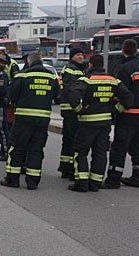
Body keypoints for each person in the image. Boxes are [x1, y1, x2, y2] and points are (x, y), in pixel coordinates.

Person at [68, 54, 133, 193]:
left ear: (90, 65)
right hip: (105, 123)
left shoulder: (86, 79)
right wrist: (115, 110)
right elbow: (128, 98)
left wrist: (79, 110)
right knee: (100, 153)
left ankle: (82, 183)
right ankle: (95, 183)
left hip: (87, 122)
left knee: (81, 152)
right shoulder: (113, 80)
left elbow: (73, 95)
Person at [1, 52, 59, 190]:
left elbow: (12, 96)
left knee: (17, 148)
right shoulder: (51, 77)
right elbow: (57, 95)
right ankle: (32, 182)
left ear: (29, 61)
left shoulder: (22, 76)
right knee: (36, 150)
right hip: (43, 120)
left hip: (23, 119)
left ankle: (12, 179)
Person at [103, 39, 139, 189]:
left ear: (123, 50)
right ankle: (138, 177)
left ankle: (113, 179)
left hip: (127, 113)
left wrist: (114, 106)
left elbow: (121, 91)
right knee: (138, 146)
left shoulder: (125, 68)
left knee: (119, 147)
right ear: (136, 51)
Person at [57, 47, 86, 180]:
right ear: (72, 56)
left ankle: (66, 167)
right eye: (78, 55)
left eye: (82, 55)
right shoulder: (71, 69)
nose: (81, 57)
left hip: (72, 109)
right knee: (71, 140)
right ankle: (68, 169)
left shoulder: (79, 69)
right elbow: (72, 89)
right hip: (71, 110)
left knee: (69, 140)